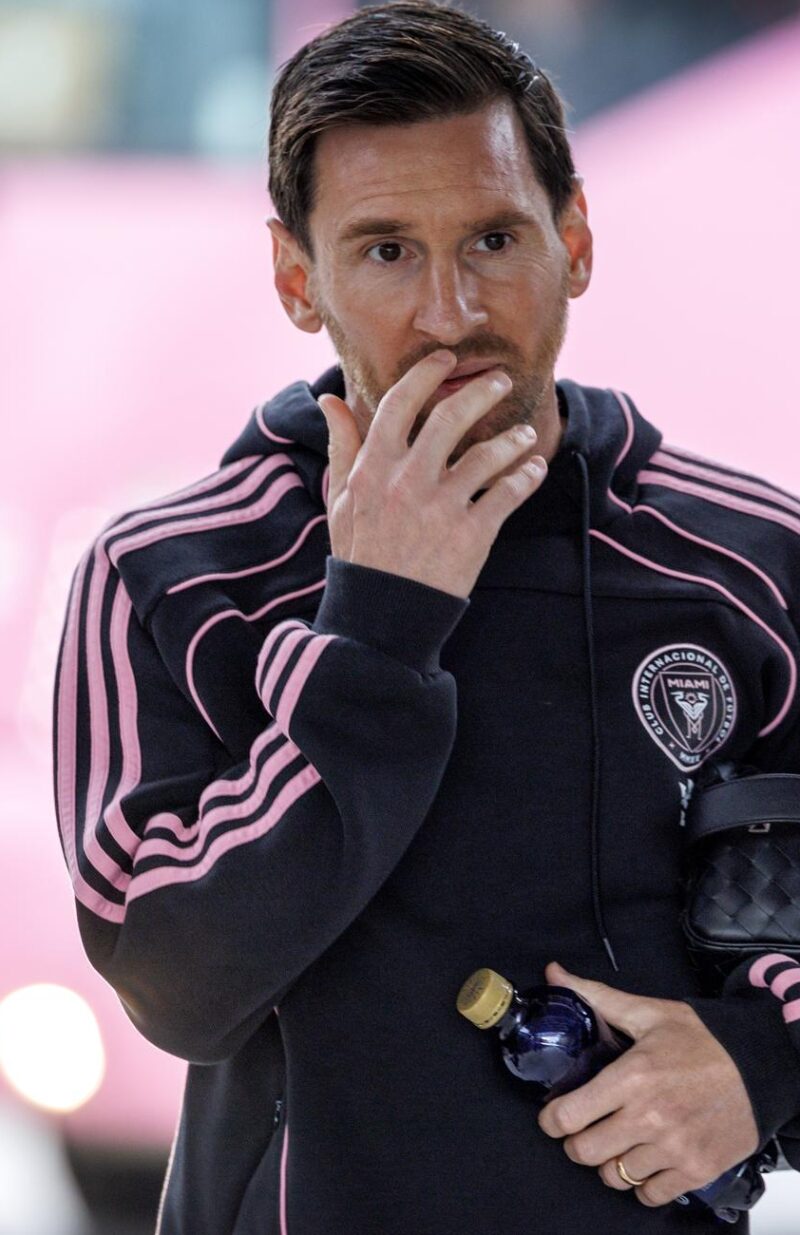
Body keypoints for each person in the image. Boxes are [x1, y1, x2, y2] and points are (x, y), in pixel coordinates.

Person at [52, 3, 800, 1231]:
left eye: (493, 238)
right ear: (299, 277)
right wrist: (381, 625)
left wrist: (761, 1060)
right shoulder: (171, 573)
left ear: (575, 242)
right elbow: (177, 980)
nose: (450, 311)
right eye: (386, 250)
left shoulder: (748, 563)